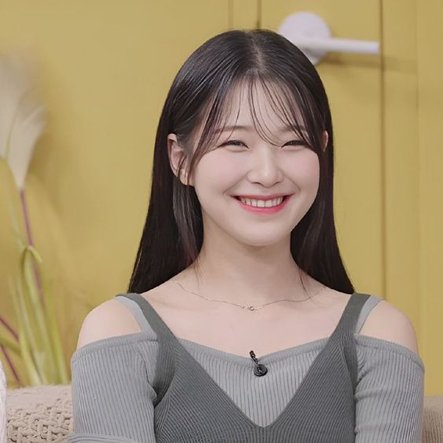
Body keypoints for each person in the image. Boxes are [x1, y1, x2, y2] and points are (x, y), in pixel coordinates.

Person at [68, 29, 424, 442]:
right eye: (236, 142)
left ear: (322, 151)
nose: (268, 173)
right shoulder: (122, 331)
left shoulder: (377, 333)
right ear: (181, 160)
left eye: (293, 141)